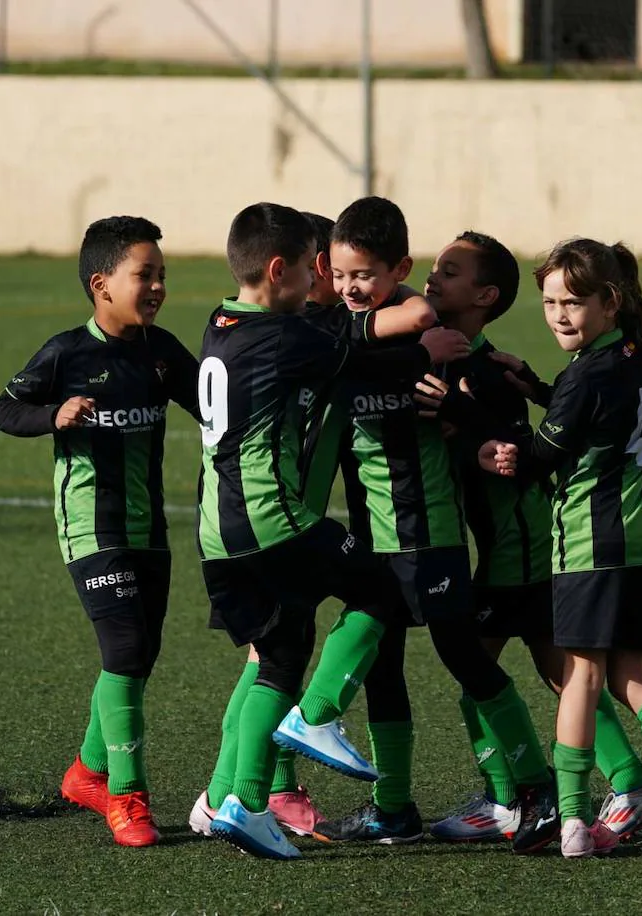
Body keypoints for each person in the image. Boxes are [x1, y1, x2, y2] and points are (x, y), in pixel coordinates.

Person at [283, 198, 561, 856]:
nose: (352, 288)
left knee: (464, 657)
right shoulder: (352, 334)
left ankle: (536, 787)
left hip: (426, 530)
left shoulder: (434, 343)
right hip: (375, 530)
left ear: (396, 271)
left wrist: (487, 442)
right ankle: (393, 806)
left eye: (366, 276)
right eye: (343, 275)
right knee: (383, 666)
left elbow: (474, 416)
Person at [197, 201, 467, 860]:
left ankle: (236, 802)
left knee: (277, 658)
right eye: (319, 266)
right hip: (273, 520)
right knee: (382, 590)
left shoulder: (222, 318)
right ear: (284, 270)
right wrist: (425, 348)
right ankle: (318, 718)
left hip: (215, 531)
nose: (328, 280)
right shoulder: (290, 336)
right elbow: (369, 352)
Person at [477, 237, 642, 858]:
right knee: (629, 675)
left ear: (610, 301)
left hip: (590, 542)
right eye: (549, 302)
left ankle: (572, 819)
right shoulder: (634, 351)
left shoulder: (587, 375)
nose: (558, 315)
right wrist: (540, 388)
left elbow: (539, 459)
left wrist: (480, 439)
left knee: (581, 675)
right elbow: (589, 411)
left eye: (572, 302)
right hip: (641, 537)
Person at [412, 231, 642, 844]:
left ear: (483, 296)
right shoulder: (463, 364)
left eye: (448, 271)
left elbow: (525, 454)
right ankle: (628, 781)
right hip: (519, 543)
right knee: (564, 676)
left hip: (524, 546)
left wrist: (462, 412)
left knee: (487, 672)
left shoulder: (481, 373)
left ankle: (517, 798)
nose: (431, 277)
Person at [0, 216, 201, 848]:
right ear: (100, 283)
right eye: (146, 274)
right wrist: (53, 414)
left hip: (149, 527)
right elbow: (5, 408)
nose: (159, 285)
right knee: (126, 650)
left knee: (140, 658)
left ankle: (85, 772)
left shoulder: (162, 351)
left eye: (163, 273)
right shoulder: (65, 353)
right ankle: (127, 800)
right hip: (90, 526)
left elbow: (214, 404)